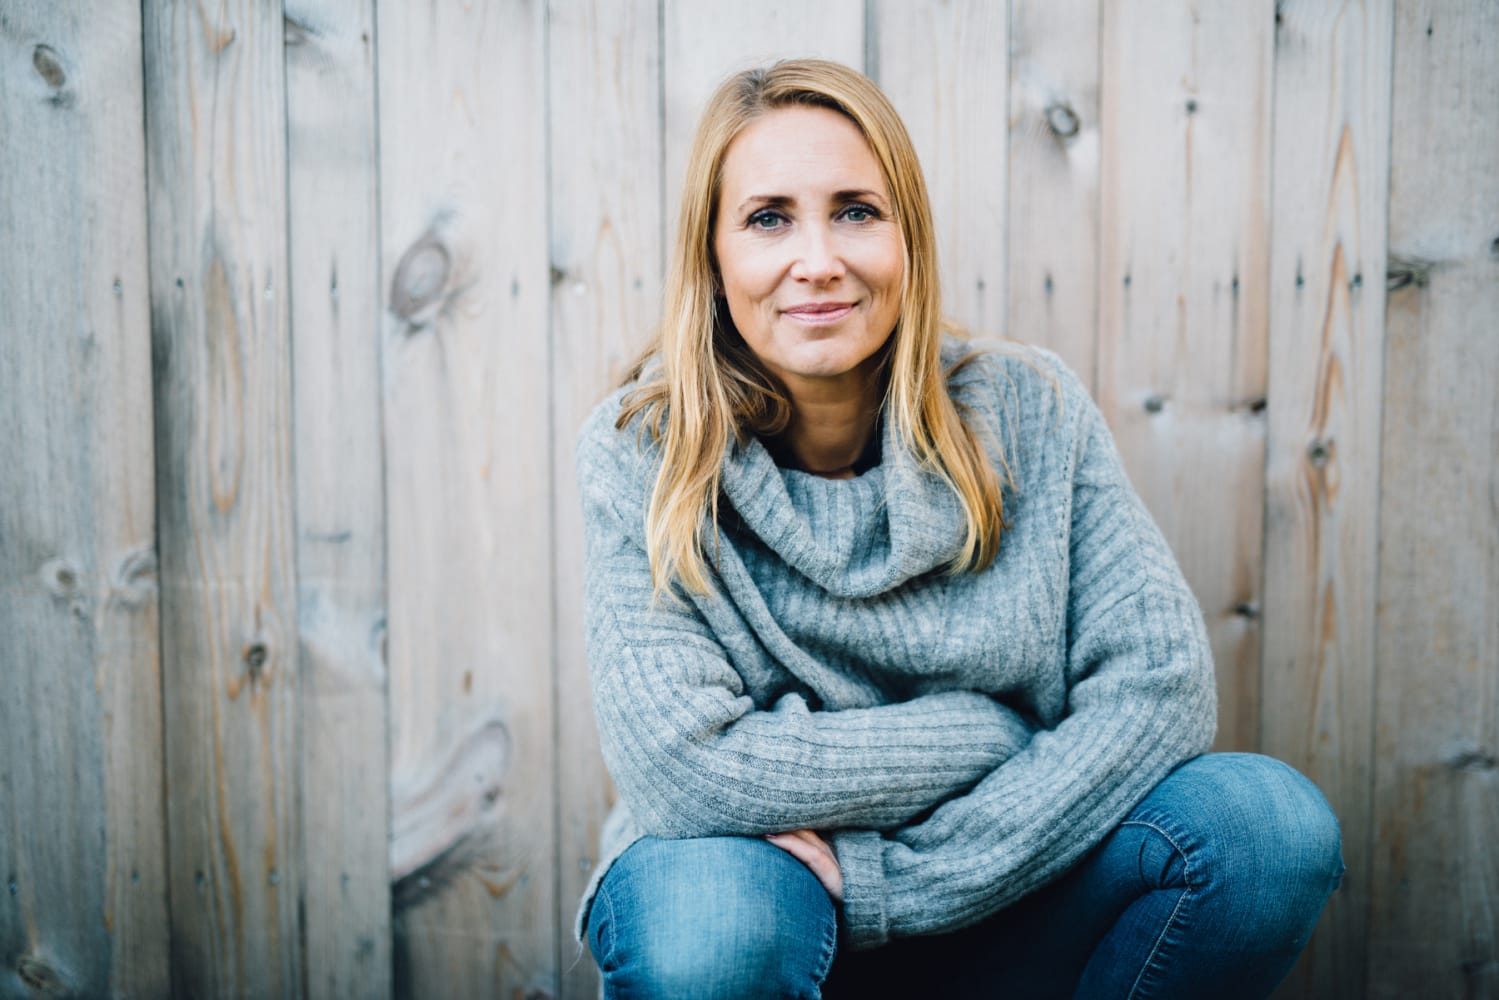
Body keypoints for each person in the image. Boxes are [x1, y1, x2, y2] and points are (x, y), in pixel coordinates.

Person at [572, 58, 1343, 999]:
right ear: (713, 256)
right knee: (713, 933)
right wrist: (984, 733)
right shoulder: (644, 449)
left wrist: (900, 881)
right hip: (762, 890)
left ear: (909, 238)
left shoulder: (1028, 411)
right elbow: (685, 769)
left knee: (1262, 828)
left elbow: (1160, 689)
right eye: (768, 218)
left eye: (856, 211)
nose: (818, 259)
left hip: (1015, 882)